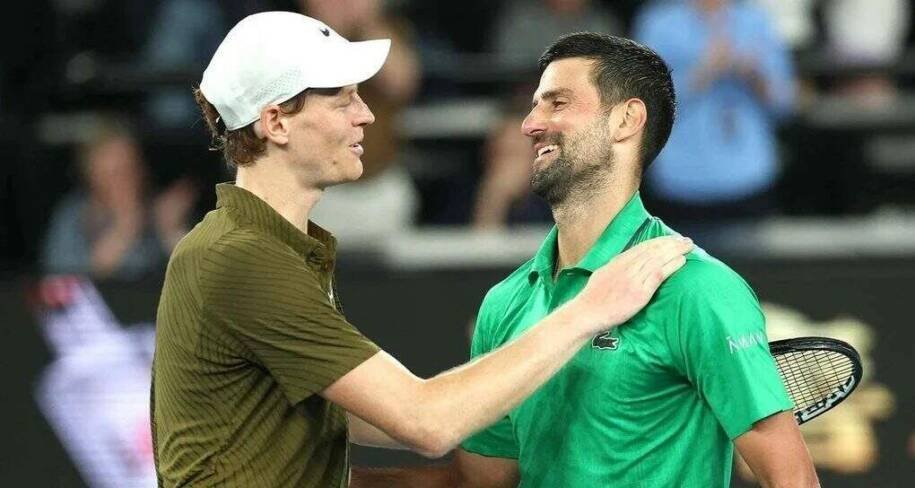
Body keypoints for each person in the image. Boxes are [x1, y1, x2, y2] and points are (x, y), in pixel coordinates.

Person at [150, 12, 693, 487]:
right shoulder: (243, 258)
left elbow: (373, 421)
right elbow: (425, 422)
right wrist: (591, 310)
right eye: (343, 99)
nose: (365, 114)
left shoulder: (266, 248)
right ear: (275, 122)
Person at [352, 33, 818, 487]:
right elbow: (480, 481)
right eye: (535, 105)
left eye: (557, 103)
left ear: (626, 121)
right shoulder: (505, 302)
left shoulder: (698, 289)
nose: (530, 124)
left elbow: (792, 479)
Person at [633, 0, 796, 232]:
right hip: (681, 181)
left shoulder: (755, 20)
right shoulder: (659, 22)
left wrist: (755, 77)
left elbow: (785, 105)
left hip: (749, 178)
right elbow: (645, 106)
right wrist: (705, 71)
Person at [42, 117, 197, 279]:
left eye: (130, 168)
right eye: (114, 173)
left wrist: (173, 232)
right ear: (91, 175)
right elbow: (66, 285)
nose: (125, 181)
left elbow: (201, 279)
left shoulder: (162, 210)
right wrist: (124, 229)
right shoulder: (73, 215)